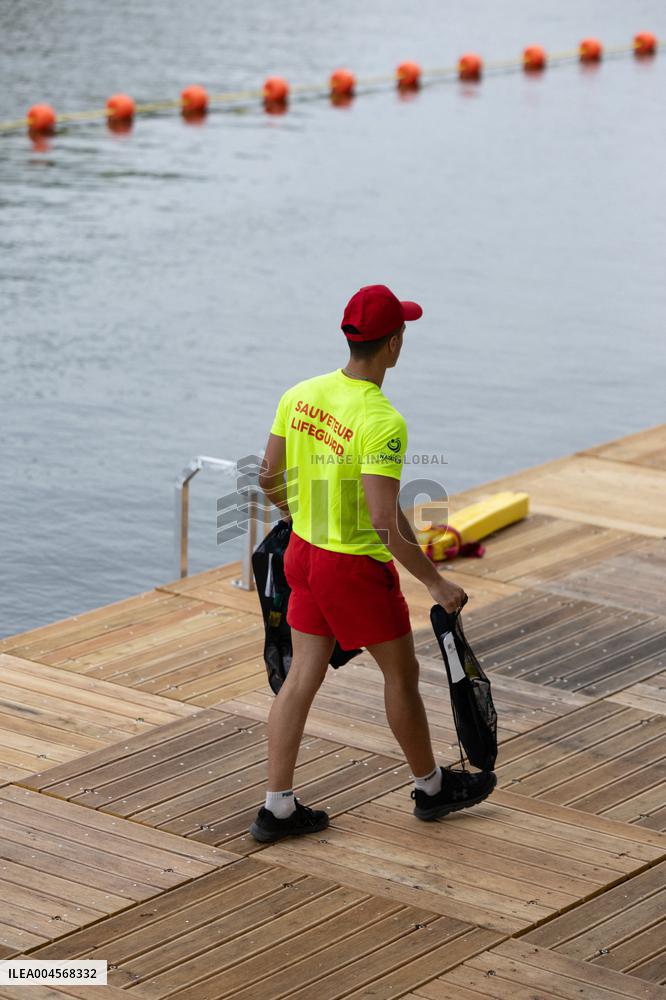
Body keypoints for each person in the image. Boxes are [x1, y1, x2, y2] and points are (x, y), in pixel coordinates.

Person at [249, 284, 496, 843]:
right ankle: (431, 790)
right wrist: (434, 581)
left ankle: (277, 808)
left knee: (302, 676)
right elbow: (383, 520)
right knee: (401, 676)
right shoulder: (382, 420)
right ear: (394, 344)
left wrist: (298, 512)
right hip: (353, 568)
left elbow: (266, 477)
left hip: (303, 555)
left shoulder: (301, 394)